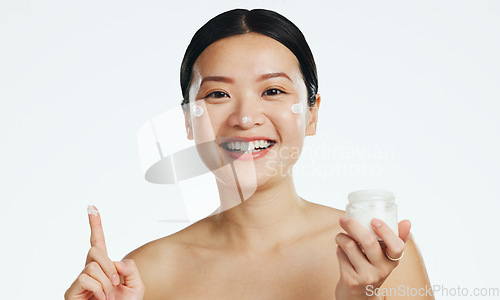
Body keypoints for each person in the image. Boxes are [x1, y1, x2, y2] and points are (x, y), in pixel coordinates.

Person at [65, 8, 433, 300]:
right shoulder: (142, 276)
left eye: (272, 91)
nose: (244, 118)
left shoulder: (379, 256)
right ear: (188, 121)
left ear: (312, 113)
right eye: (217, 95)